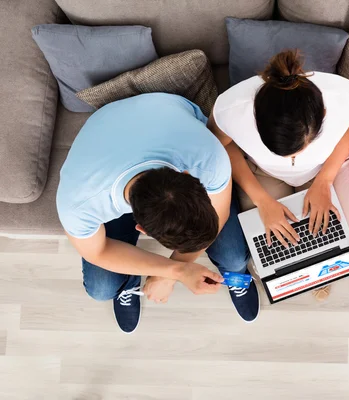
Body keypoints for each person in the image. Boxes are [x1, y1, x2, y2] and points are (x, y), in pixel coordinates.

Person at [57, 93, 259, 334]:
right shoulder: (79, 203)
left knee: (234, 257)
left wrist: (172, 273)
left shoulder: (207, 155)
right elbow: (98, 252)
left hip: (161, 112)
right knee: (101, 288)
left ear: (189, 176)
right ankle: (129, 282)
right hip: (106, 141)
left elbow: (221, 210)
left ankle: (236, 275)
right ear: (140, 227)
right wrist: (175, 270)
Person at [208, 50, 349, 301]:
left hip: (326, 167)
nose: (289, 159)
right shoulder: (231, 109)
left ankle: (319, 272)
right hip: (264, 172)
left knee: (333, 241)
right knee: (270, 243)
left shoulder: (345, 96)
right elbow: (221, 146)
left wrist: (325, 180)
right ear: (256, 120)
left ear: (323, 115)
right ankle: (281, 275)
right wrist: (261, 199)